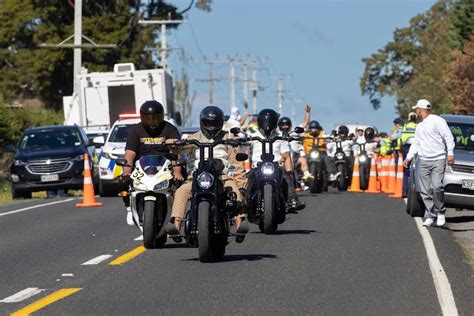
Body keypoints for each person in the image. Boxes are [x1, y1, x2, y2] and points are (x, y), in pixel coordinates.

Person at [166, 106, 249, 242]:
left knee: (234, 192)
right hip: (197, 177)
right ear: (202, 122)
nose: (211, 127)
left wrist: (241, 185)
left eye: (214, 123)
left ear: (221, 123)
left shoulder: (228, 137)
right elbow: (180, 149)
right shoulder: (194, 138)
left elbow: (237, 164)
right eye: (208, 123)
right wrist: (173, 144)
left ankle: (240, 223)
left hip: (222, 176)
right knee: (181, 191)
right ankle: (176, 225)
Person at [122, 100, 182, 225]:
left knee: (183, 183)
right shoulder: (136, 130)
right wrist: (126, 171)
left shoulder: (170, 129)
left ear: (162, 116)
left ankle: (179, 216)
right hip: (142, 167)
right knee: (122, 180)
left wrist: (177, 172)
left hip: (165, 167)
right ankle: (129, 207)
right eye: (148, 119)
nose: (153, 122)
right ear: (142, 117)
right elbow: (130, 153)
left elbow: (176, 153)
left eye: (156, 118)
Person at [403, 99, 455, 227]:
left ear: (421, 110)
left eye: (417, 110)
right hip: (423, 160)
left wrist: (450, 153)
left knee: (437, 186)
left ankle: (440, 212)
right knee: (425, 190)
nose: (416, 112)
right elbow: (416, 143)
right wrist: (408, 158)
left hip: (438, 158)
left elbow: (448, 137)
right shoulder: (419, 126)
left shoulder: (437, 121)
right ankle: (430, 215)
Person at [248, 108, 305, 211]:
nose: (267, 125)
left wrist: (290, 173)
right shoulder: (253, 136)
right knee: (248, 180)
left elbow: (286, 156)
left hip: (276, 166)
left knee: (287, 178)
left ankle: (292, 201)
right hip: (257, 166)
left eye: (270, 122)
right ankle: (246, 204)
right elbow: (242, 143)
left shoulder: (280, 138)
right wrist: (238, 139)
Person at [400, 112, 417, 197]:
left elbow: (401, 140)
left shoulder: (405, 127)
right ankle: (414, 192)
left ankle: (404, 191)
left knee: (406, 171)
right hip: (416, 149)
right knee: (416, 170)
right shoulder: (418, 126)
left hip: (406, 148)